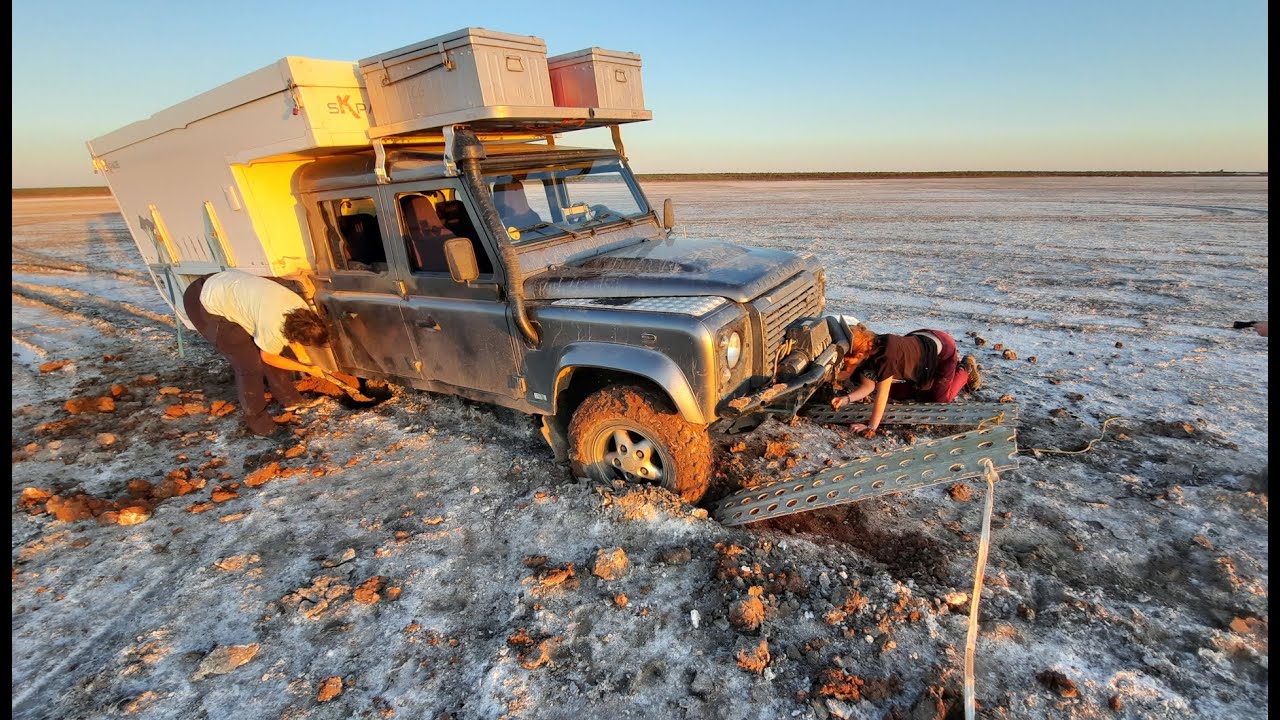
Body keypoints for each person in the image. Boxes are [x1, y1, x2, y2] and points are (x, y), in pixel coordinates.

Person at [182, 269, 331, 437]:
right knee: (250, 365)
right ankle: (261, 425)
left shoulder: (301, 308)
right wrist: (308, 369)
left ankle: (291, 400)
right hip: (202, 303)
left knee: (274, 348)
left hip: (223, 286)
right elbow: (269, 357)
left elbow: (287, 341)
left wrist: (304, 359)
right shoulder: (274, 326)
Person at [829, 320, 981, 435]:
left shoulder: (885, 357)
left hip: (943, 347)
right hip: (920, 339)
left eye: (847, 360)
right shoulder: (869, 348)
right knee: (900, 393)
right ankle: (935, 376)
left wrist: (871, 427)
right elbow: (867, 386)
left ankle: (965, 368)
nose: (845, 363)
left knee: (940, 398)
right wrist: (845, 399)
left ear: (859, 354)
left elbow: (882, 395)